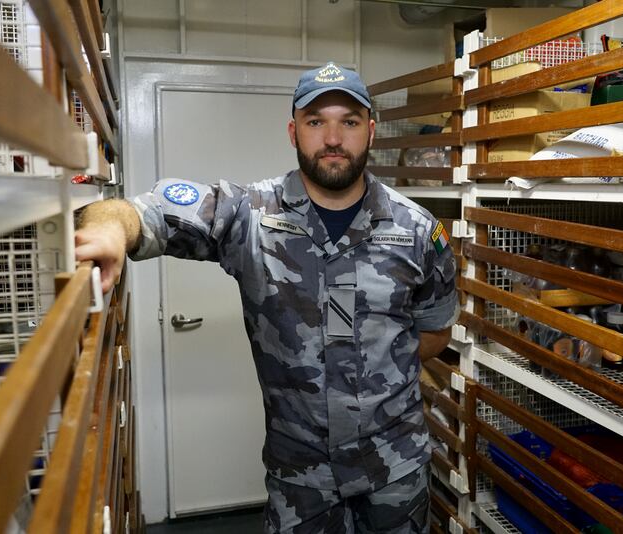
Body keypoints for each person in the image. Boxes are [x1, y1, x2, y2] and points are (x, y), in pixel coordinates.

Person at [76, 62, 460, 533]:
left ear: (371, 132)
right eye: (316, 121)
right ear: (292, 131)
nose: (334, 137)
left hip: (395, 470)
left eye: (350, 122)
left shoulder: (419, 232)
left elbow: (435, 332)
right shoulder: (248, 215)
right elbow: (142, 211)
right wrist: (110, 229)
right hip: (301, 479)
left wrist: (374, 369)